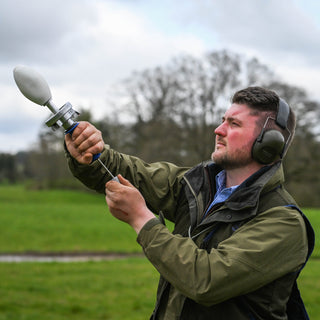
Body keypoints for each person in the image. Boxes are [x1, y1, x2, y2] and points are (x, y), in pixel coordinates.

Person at [65, 86, 314, 319]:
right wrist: (90, 152)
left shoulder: (284, 223)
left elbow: (205, 280)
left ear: (268, 145)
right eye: (222, 120)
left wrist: (141, 219)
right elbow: (131, 172)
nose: (218, 130)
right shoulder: (197, 185)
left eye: (234, 124)